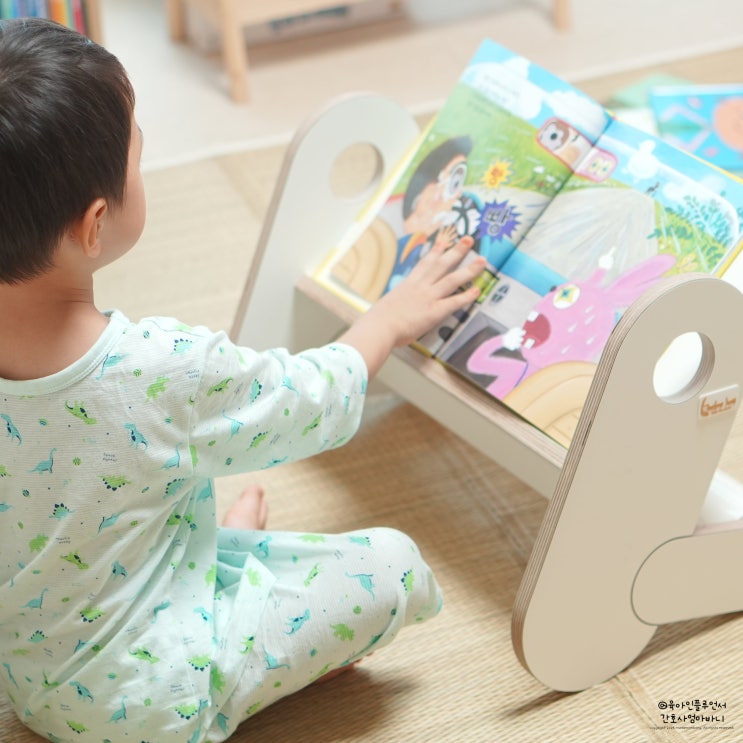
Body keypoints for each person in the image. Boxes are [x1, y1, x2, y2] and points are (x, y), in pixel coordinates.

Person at [0, 18, 485, 742]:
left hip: (30, 681)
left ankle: (205, 559)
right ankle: (242, 665)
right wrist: (388, 319)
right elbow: (310, 399)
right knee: (394, 568)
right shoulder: (159, 369)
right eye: (138, 155)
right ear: (95, 224)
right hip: (154, 705)